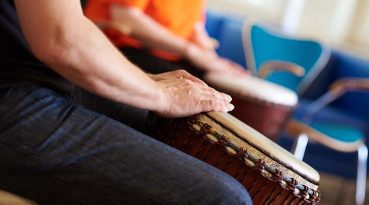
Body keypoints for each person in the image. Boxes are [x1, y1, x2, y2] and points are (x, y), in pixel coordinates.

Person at [0, 0, 252, 204]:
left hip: (40, 74)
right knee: (224, 198)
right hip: (12, 92)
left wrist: (146, 81)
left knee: (170, 127)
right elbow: (61, 38)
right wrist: (161, 93)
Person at [84, 0, 248, 77]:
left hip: (173, 55)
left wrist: (214, 61)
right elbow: (124, 16)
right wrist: (189, 50)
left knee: (216, 82)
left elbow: (195, 27)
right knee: (195, 83)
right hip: (124, 47)